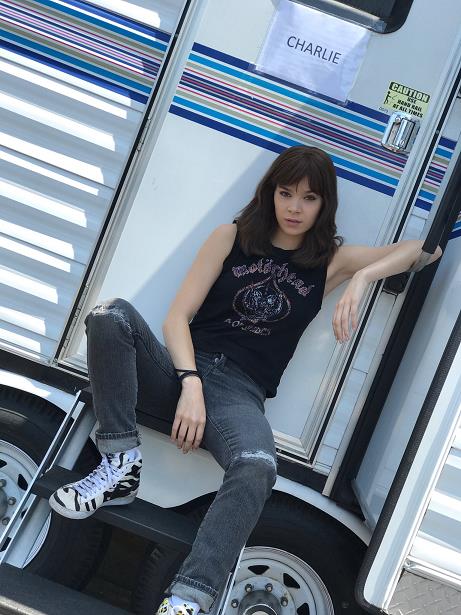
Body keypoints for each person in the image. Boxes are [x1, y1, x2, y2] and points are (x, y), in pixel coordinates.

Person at [48, 146, 442, 615]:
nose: (294, 207)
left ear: (324, 205)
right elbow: (177, 318)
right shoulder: (230, 237)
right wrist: (190, 383)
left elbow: (427, 249)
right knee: (110, 315)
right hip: (182, 372)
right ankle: (119, 464)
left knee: (257, 465)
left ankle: (188, 599)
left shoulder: (330, 262)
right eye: (286, 193)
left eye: (309, 198)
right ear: (270, 193)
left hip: (239, 392)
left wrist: (363, 277)